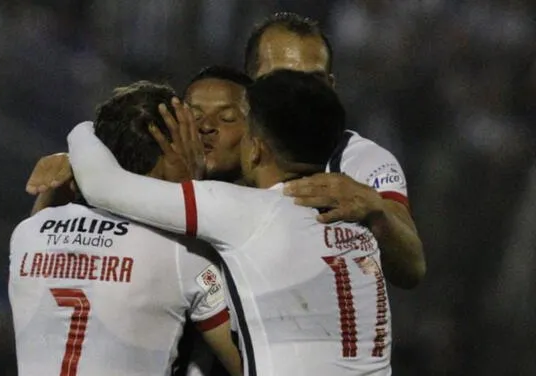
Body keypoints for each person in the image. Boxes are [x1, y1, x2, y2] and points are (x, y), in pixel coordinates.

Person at [68, 70, 392, 375]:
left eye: (235, 121)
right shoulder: (359, 223)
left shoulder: (245, 211)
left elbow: (101, 186)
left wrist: (85, 130)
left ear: (255, 149)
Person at [9, 81, 241, 376]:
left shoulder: (27, 234)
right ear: (171, 153)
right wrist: (191, 185)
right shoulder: (184, 252)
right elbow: (252, 362)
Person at [244, 12, 425, 288]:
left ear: (331, 87)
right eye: (282, 80)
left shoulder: (361, 163)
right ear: (248, 86)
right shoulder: (217, 149)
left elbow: (413, 268)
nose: (299, 95)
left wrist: (376, 213)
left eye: (313, 81)